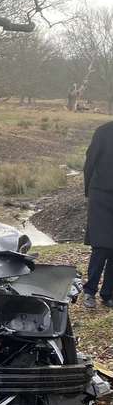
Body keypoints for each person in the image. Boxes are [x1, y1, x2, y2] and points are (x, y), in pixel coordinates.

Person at [82, 121, 113, 308]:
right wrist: (88, 192)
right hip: (101, 194)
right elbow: (90, 161)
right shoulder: (103, 131)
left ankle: (108, 293)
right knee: (101, 246)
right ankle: (89, 290)